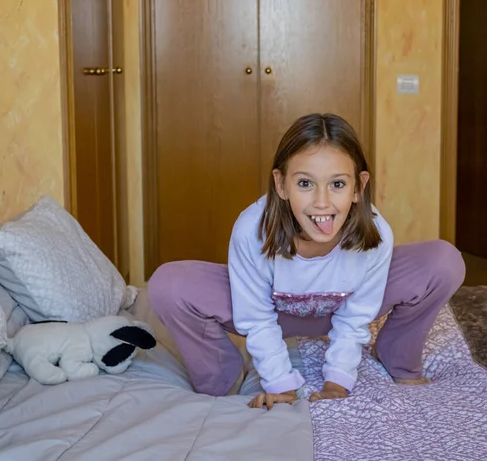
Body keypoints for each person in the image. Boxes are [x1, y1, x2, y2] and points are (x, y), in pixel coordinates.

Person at [148, 113, 466, 410]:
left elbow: (356, 317)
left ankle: (397, 355)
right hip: (273, 311)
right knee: (169, 284)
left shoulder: (376, 232)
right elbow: (256, 319)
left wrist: (338, 381)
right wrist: (280, 385)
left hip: (342, 308)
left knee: (443, 261)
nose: (322, 202)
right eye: (305, 183)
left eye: (338, 184)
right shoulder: (251, 229)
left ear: (359, 186)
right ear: (281, 184)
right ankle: (223, 376)